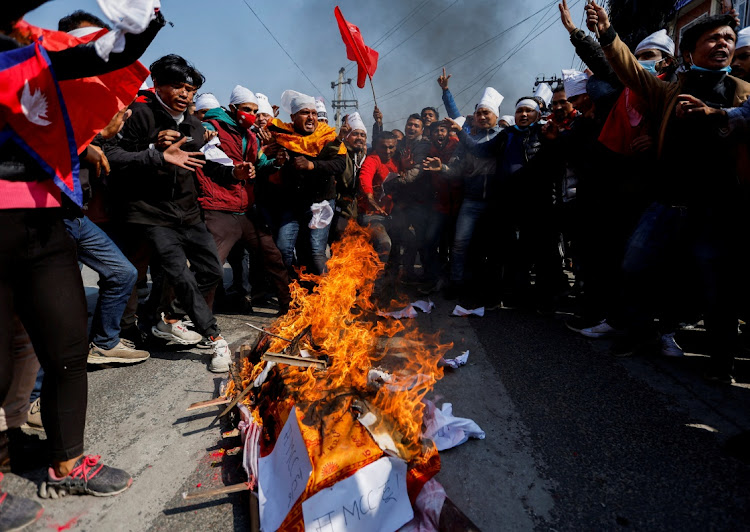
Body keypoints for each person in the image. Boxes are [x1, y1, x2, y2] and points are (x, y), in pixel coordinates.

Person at [0, 3, 164, 525]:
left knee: (68, 349)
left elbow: (99, 54)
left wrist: (146, 19)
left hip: (47, 221)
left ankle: (66, 463)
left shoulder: (36, 45)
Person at [587, 3, 750, 381]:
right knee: (635, 264)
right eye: (713, 38)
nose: (723, 44)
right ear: (690, 51)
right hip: (668, 201)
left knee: (715, 285)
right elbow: (630, 70)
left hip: (718, 208)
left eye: (728, 38)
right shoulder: (668, 90)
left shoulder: (743, 93)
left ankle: (719, 362)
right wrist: (607, 33)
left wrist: (718, 118)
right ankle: (641, 333)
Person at [105, 54, 239, 372]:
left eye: (190, 90)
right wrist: (154, 151)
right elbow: (113, 156)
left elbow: (206, 164)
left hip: (187, 213)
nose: (185, 94)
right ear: (158, 86)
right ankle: (213, 338)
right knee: (164, 274)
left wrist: (236, 174)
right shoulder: (138, 114)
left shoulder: (193, 124)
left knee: (210, 272)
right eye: (177, 87)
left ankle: (168, 319)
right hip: (148, 213)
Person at [196, 85, 292, 323]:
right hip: (219, 209)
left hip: (247, 210)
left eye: (254, 110)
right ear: (232, 108)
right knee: (212, 268)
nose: (251, 114)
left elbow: (258, 166)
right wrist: (202, 135)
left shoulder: (251, 136)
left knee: (273, 258)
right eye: (246, 109)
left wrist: (275, 163)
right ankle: (201, 321)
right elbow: (198, 143)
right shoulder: (212, 127)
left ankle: (288, 308)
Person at [423, 88, 504, 302]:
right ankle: (457, 284)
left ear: (496, 116)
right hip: (471, 201)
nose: (483, 116)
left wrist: (460, 132)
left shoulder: (503, 137)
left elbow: (482, 150)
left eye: (487, 113)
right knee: (460, 244)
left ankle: (489, 289)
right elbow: (455, 170)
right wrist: (442, 168)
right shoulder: (465, 143)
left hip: (496, 202)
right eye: (479, 113)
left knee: (491, 246)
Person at [266, 90, 347, 276]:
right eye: (305, 113)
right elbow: (270, 163)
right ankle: (294, 290)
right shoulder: (283, 136)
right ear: (293, 117)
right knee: (283, 249)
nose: (311, 117)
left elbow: (340, 164)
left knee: (316, 252)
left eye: (313, 113)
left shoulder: (328, 136)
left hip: (321, 202)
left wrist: (312, 165)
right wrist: (279, 161)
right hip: (292, 204)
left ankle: (325, 297)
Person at [358, 131, 401, 264]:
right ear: (377, 147)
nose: (387, 151)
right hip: (371, 215)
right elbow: (365, 177)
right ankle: (375, 283)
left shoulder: (396, 161)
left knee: (408, 241)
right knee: (384, 244)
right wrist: (370, 198)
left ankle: (393, 280)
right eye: (383, 147)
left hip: (390, 215)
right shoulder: (373, 159)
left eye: (391, 147)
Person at [329, 112, 367, 242]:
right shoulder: (340, 152)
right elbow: (330, 154)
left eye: (362, 135)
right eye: (355, 134)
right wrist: (339, 138)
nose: (359, 138)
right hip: (338, 210)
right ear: (347, 136)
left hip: (356, 211)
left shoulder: (364, 155)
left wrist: (378, 124)